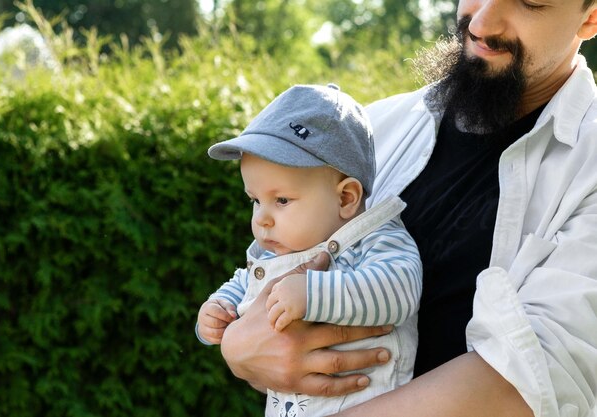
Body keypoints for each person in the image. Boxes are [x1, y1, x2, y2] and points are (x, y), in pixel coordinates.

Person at [218, 1, 597, 416]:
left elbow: (536, 378)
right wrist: (239, 347)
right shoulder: (376, 128)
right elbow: (279, 277)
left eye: (529, 2)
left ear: (590, 17)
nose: (483, 21)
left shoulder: (588, 164)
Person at [196, 84, 422, 417]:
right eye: (255, 201)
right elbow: (246, 282)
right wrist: (220, 307)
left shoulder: (375, 239)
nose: (262, 219)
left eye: (281, 200)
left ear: (346, 198)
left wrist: (312, 293)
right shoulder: (277, 253)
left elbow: (399, 290)